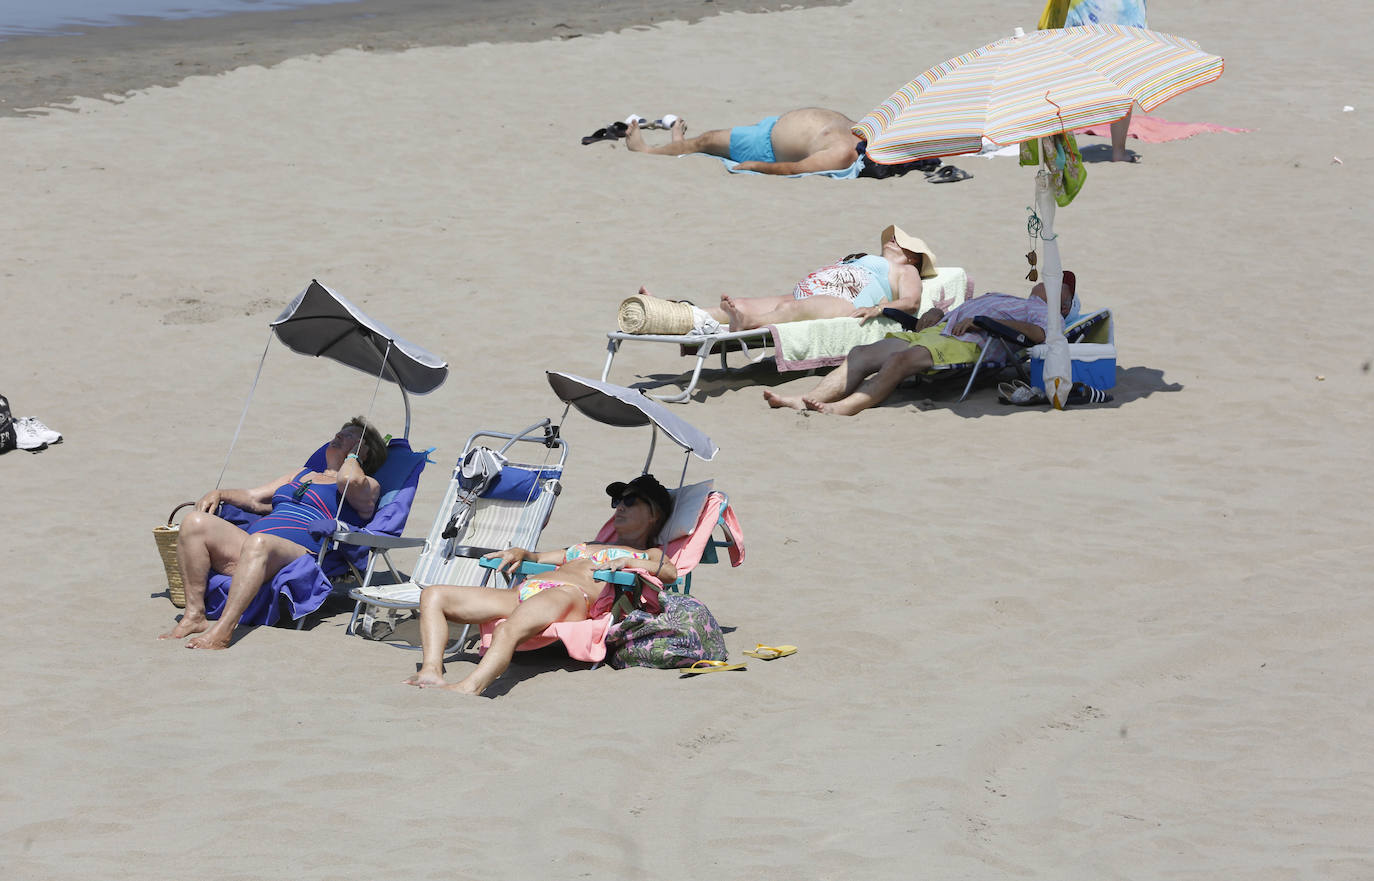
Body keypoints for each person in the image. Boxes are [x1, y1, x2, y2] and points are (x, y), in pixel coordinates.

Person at [403, 474, 677, 697]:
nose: (620, 506)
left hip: (568, 596)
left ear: (653, 514)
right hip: (526, 592)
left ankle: (470, 686)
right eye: (618, 500)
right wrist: (522, 553)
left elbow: (669, 572)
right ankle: (431, 670)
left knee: (508, 629)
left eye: (630, 500)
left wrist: (629, 562)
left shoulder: (647, 554)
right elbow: (540, 558)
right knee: (433, 595)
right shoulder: (586, 546)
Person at [159, 416, 387, 649]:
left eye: (350, 435)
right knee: (194, 521)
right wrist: (220, 493)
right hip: (254, 545)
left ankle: (223, 630)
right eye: (340, 432)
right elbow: (254, 498)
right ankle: (194, 616)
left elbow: (349, 478)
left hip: (300, 553)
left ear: (365, 451)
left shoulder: (366, 484)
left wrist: (352, 456)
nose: (339, 436)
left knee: (260, 542)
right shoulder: (301, 473)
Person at [763, 272, 1078, 416]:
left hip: (967, 343)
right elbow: (956, 312)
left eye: (1060, 285)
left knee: (899, 363)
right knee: (861, 353)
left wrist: (987, 323)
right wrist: (935, 312)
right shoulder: (1007, 298)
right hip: (936, 332)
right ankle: (805, 400)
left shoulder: (1048, 314)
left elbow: (1038, 335)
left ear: (1064, 305)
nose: (1051, 280)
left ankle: (843, 407)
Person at [638, 225, 939, 332]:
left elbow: (911, 301)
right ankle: (670, 313)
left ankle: (748, 325)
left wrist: (880, 308)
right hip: (803, 293)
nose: (895, 241)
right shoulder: (863, 257)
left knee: (788, 312)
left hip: (844, 304)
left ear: (913, 257)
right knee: (740, 303)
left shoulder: (905, 270)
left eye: (902, 242)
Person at [624, 107, 934, 177]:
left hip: (763, 146)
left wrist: (757, 165)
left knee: (705, 141)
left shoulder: (843, 153)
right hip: (772, 128)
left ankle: (647, 149)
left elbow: (796, 168)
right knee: (706, 140)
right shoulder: (872, 131)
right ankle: (680, 139)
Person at [1040, 0, 1148, 162]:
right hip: (1123, 11)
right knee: (1124, 75)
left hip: (1090, 9)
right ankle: (1118, 150)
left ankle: (1060, 149)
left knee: (1071, 77)